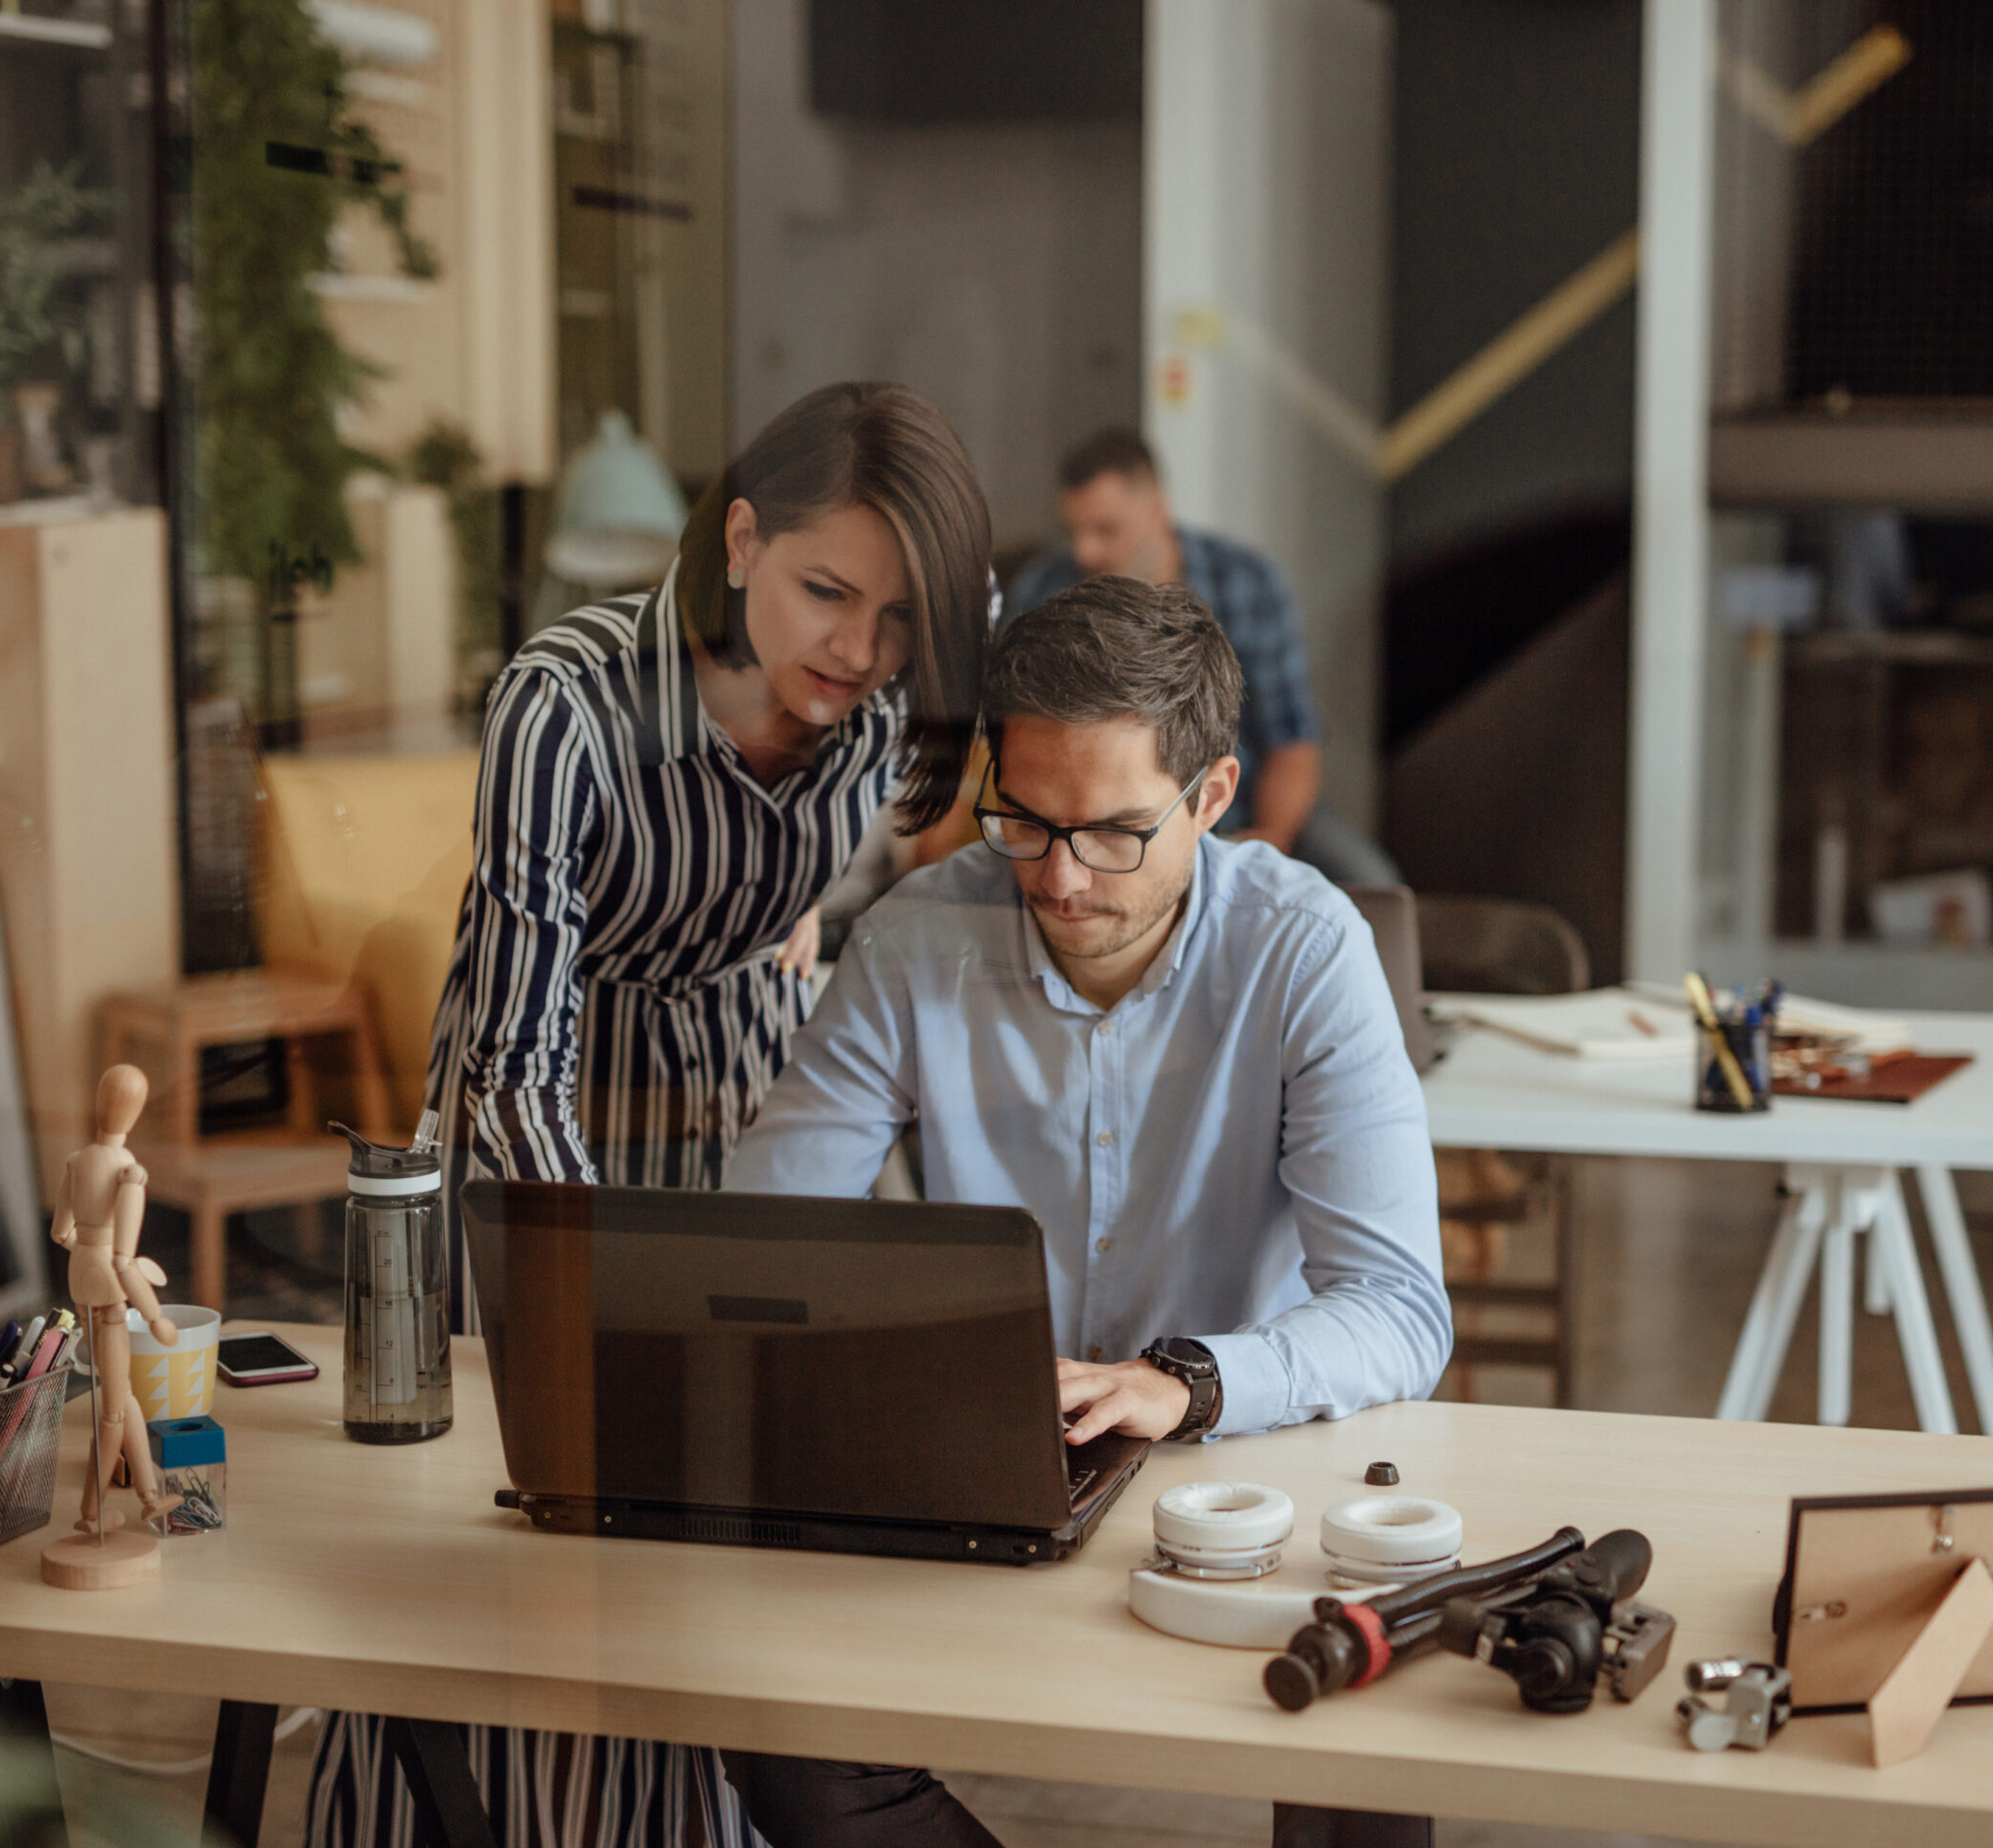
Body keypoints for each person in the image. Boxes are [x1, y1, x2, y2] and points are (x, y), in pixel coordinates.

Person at [308, 381, 994, 1848]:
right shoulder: (566, 701)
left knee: (744, 1542)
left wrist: (791, 912)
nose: (855, 654)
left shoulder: (879, 692)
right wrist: (593, 1300)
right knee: (559, 1534)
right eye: (824, 593)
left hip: (747, 1088)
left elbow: (886, 826)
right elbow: (512, 1053)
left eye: (894, 622)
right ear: (740, 539)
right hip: (545, 1102)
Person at [719, 576, 1450, 1848]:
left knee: (1373, 1762)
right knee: (774, 1732)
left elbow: (1398, 1312)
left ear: (1211, 799)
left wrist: (1190, 1384)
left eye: (1114, 832)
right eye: (1026, 820)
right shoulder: (916, 942)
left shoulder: (1307, 950)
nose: (1059, 879)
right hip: (989, 1473)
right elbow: (758, 1251)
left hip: (1250, 1467)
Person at [1007, 428, 1403, 888]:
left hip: (1247, 810)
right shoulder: (1042, 593)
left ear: (1157, 508)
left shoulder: (1249, 582)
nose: (1085, 551)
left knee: (1374, 883)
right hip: (1102, 818)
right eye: (1074, 531)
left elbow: (1290, 740)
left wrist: (1265, 845)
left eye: (1105, 529)